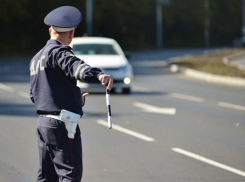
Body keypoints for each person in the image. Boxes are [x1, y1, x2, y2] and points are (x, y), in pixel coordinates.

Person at [29, 6, 113, 182]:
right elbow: (75, 67)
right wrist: (99, 75)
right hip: (62, 124)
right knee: (70, 174)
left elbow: (36, 94)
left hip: (43, 123)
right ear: (71, 34)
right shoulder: (59, 52)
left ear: (50, 30)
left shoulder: (36, 58)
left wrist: (73, 98)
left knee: (46, 176)